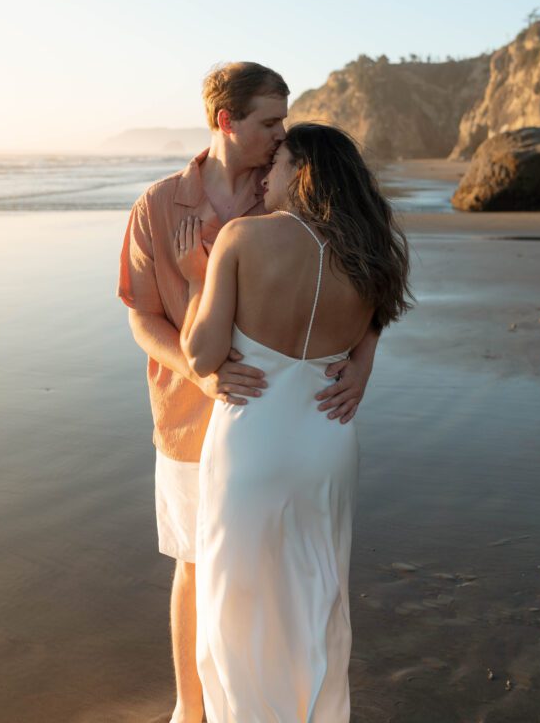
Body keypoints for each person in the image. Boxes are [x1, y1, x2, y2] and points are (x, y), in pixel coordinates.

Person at [117, 63, 382, 723]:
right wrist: (198, 370)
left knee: (273, 578)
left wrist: (364, 361)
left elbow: (356, 288)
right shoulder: (157, 206)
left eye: (283, 125)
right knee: (197, 565)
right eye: (269, 122)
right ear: (226, 122)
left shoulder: (288, 198)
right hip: (188, 418)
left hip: (270, 422)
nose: (279, 133)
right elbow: (141, 315)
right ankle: (193, 706)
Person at [175, 122, 413, 723]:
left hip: (252, 439)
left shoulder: (241, 239)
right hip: (327, 436)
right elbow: (375, 320)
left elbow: (201, 356)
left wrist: (197, 274)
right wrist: (363, 362)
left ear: (302, 173)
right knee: (316, 593)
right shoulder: (371, 249)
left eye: (277, 164)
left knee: (235, 598)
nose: (265, 177)